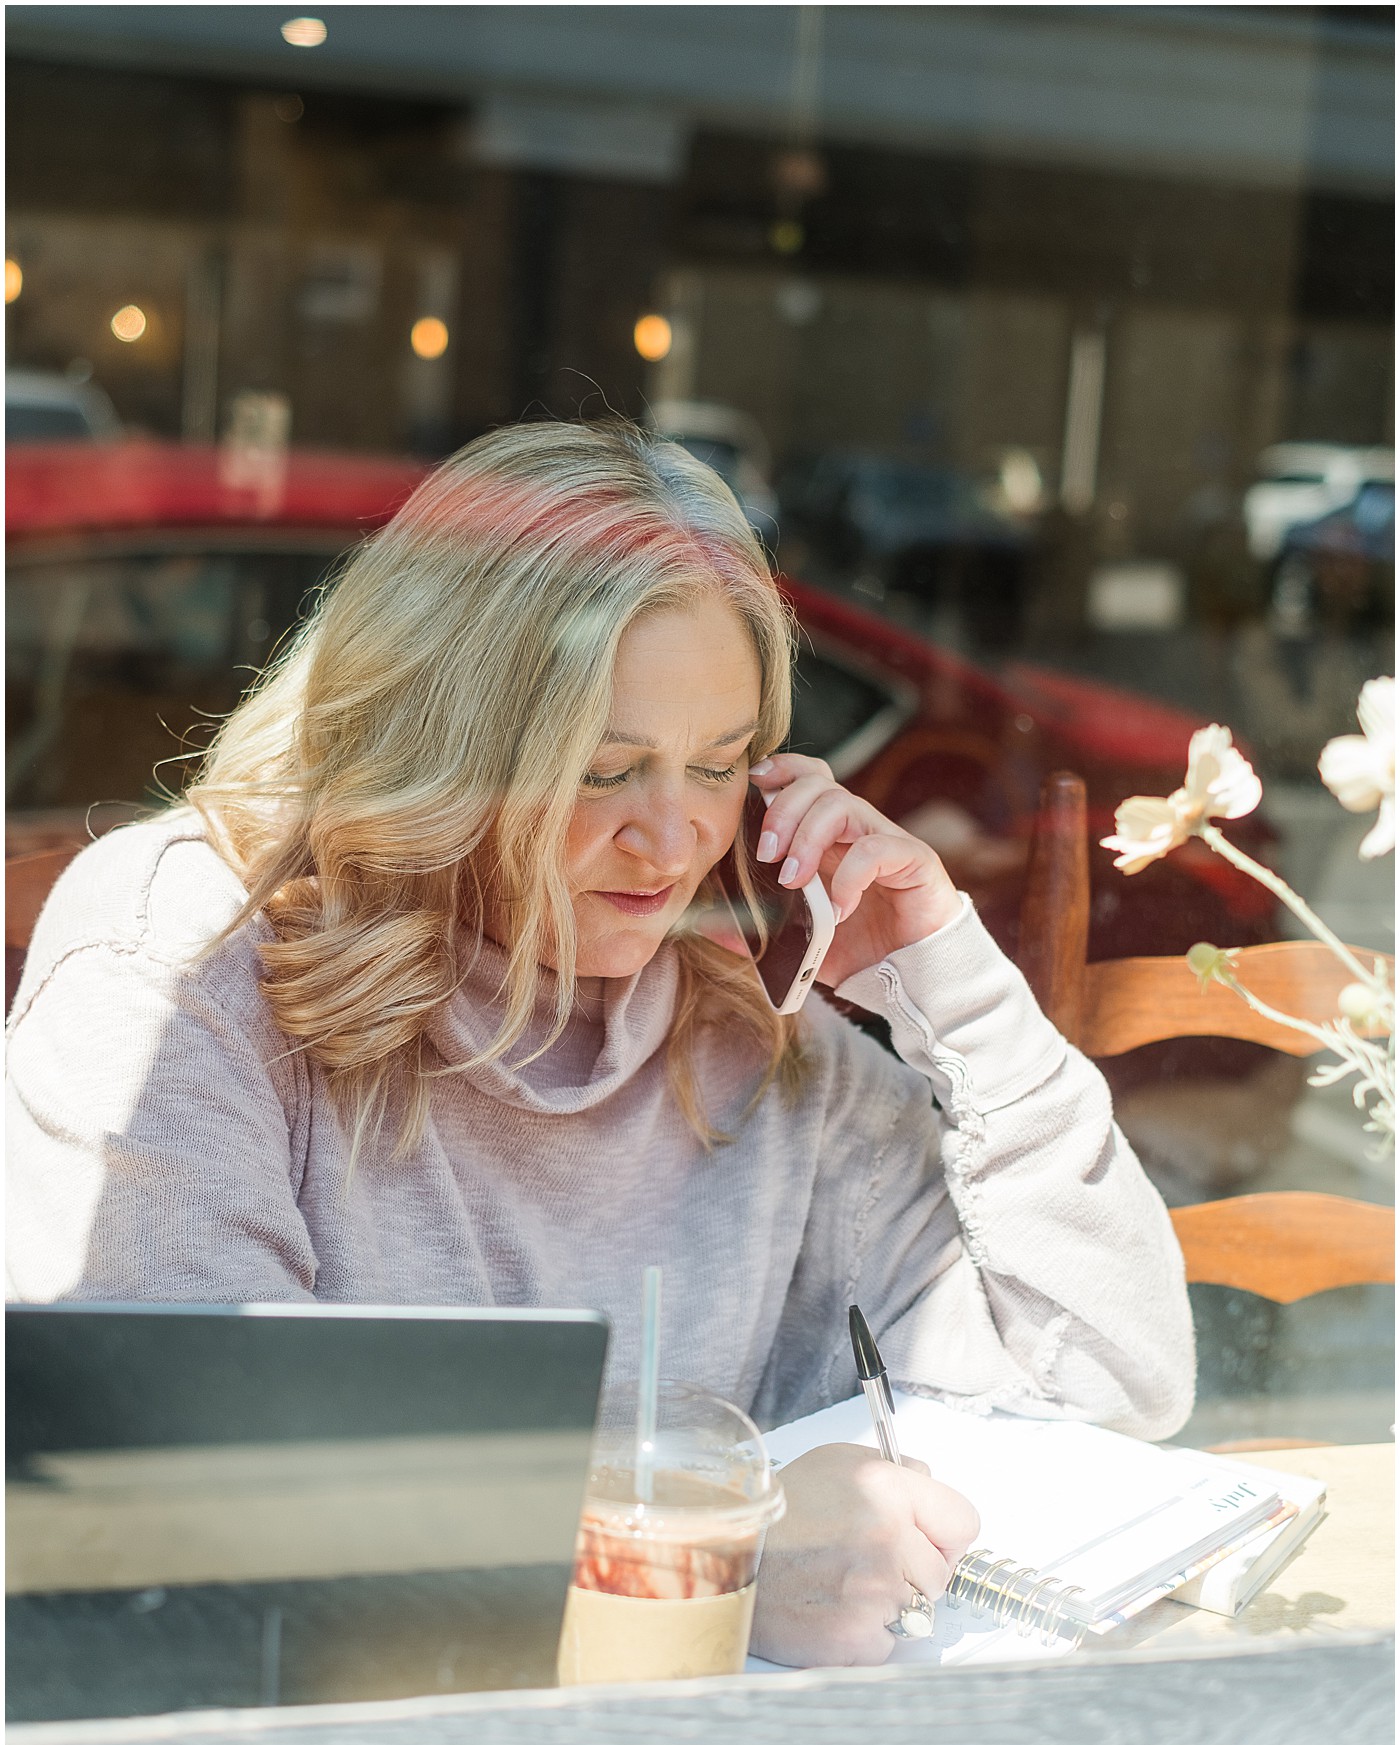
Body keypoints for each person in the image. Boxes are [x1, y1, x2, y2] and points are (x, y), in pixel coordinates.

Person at [6, 420, 1195, 1666]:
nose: (674, 839)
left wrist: (952, 988)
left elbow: (1114, 1380)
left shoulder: (740, 1028)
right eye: (601, 768)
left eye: (719, 764)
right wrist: (698, 1552)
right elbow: (159, 1505)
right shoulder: (187, 955)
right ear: (437, 748)